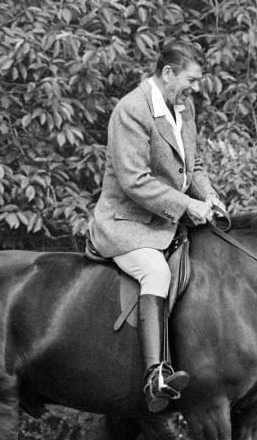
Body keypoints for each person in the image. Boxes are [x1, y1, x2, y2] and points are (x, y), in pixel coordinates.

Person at [86, 39, 226, 412]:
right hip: (126, 223)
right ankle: (155, 375)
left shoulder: (184, 108)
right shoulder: (131, 110)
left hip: (169, 221)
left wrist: (209, 199)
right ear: (167, 73)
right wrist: (187, 206)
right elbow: (134, 181)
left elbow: (193, 167)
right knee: (155, 274)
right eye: (190, 80)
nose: (195, 88)